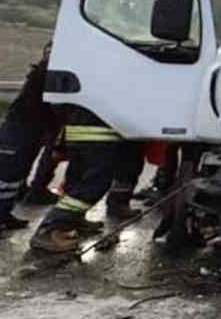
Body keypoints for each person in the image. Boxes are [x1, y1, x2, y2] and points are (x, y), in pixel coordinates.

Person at [0, 44, 56, 237]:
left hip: (31, 131)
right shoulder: (44, 74)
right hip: (18, 129)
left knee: (15, 177)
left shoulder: (50, 73)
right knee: (1, 178)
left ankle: (1, 214)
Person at [28, 107, 146, 254]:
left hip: (79, 129)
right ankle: (50, 229)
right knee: (93, 185)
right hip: (100, 133)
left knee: (76, 181)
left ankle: (73, 221)